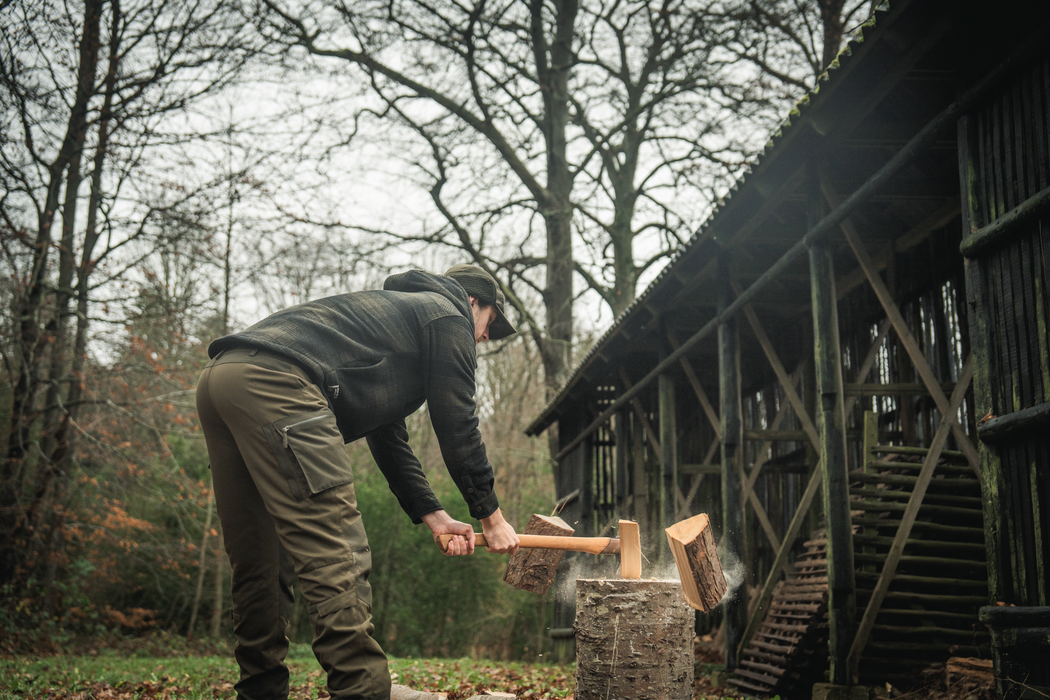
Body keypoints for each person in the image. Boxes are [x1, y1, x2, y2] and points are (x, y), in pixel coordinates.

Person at [195, 264, 521, 700]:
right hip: (281, 385)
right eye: (490, 325)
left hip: (222, 379)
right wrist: (490, 515)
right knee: (338, 553)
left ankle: (260, 692)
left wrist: (436, 516)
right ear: (473, 302)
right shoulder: (447, 316)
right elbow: (457, 422)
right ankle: (363, 692)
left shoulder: (397, 319)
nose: (484, 337)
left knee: (261, 559)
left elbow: (390, 439)